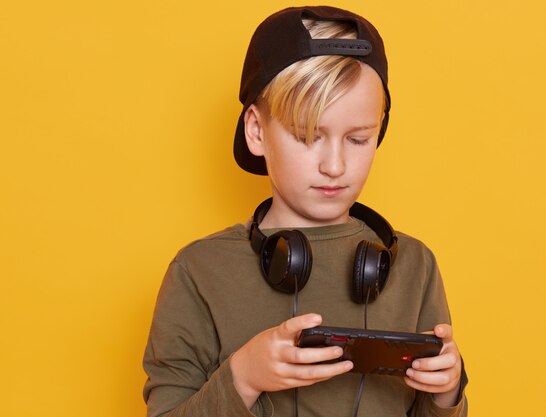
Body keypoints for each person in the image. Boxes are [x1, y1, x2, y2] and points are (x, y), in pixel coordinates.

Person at [143, 6, 468, 417]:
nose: (334, 165)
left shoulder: (415, 266)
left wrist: (446, 393)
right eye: (308, 136)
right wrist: (243, 377)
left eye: (357, 139)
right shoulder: (198, 271)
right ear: (257, 131)